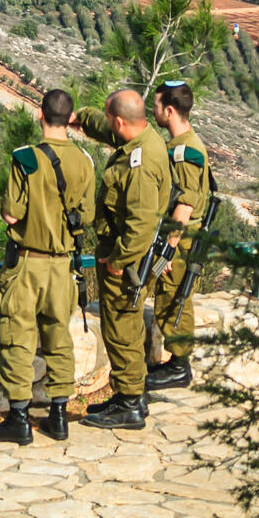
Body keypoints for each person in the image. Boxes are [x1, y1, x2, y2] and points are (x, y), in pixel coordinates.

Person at [0, 89, 95, 444]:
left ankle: (18, 419)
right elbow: (87, 216)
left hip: (28, 263)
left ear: (39, 114)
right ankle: (58, 415)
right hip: (63, 267)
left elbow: (11, 213)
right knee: (58, 336)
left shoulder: (25, 159)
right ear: (70, 118)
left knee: (17, 337)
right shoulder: (84, 161)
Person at [84, 88, 172, 431]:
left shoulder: (142, 164)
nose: (108, 126)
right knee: (127, 325)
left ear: (120, 121)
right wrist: (84, 118)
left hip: (128, 262)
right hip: (127, 257)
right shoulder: (144, 138)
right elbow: (109, 131)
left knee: (121, 326)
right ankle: (127, 395)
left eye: (109, 120)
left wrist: (118, 261)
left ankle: (131, 403)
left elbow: (141, 224)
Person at [147, 80, 211, 391]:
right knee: (168, 296)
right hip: (179, 237)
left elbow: (185, 204)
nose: (153, 110)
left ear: (169, 110)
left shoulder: (187, 151)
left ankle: (180, 365)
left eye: (157, 105)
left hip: (181, 239)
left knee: (173, 297)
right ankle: (176, 362)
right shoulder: (179, 146)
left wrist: (168, 250)